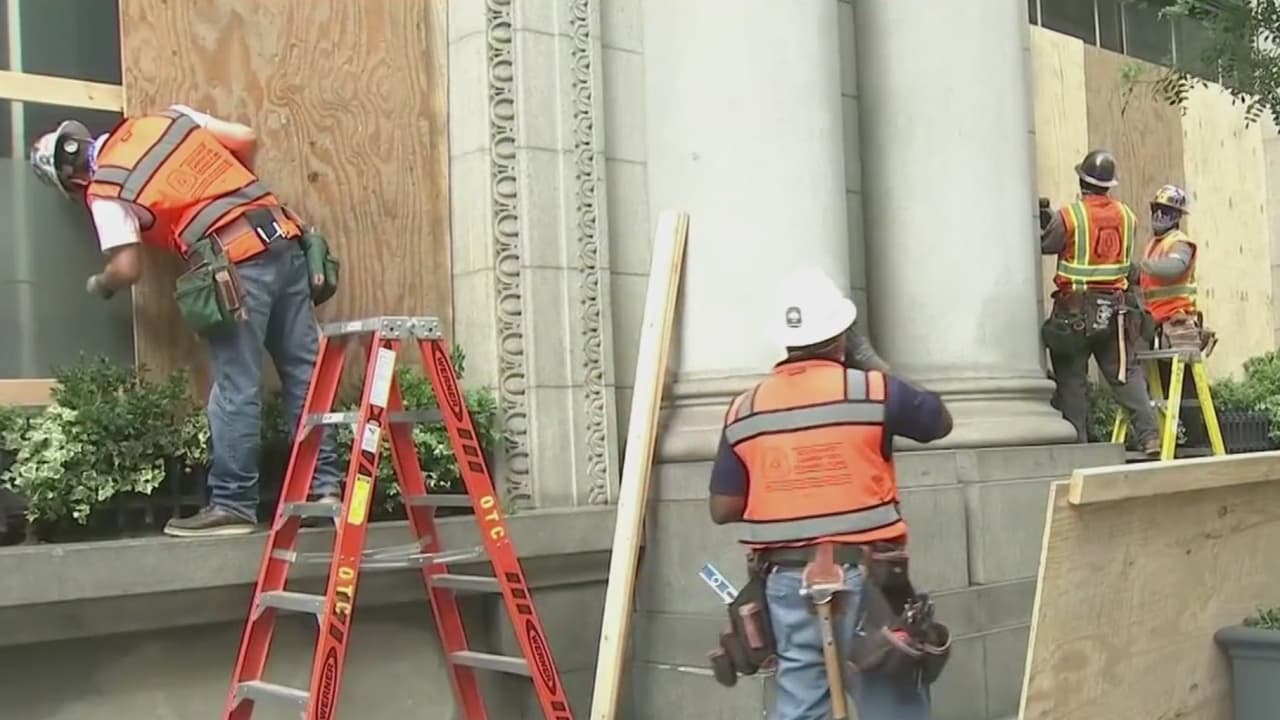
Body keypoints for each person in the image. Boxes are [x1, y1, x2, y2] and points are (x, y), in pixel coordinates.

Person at [29, 106, 345, 537]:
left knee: (235, 386)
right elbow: (245, 136)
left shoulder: (105, 190)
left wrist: (101, 284)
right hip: (283, 239)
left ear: (72, 181)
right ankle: (324, 491)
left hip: (237, 264)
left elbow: (127, 268)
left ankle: (233, 504)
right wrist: (230, 200)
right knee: (305, 376)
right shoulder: (164, 119)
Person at [707, 268, 953, 719]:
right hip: (869, 579)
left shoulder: (744, 409)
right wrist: (873, 362)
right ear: (842, 337)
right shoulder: (873, 390)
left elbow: (723, 507)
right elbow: (939, 421)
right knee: (890, 700)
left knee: (802, 706)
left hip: (786, 580)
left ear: (784, 340)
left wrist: (790, 485)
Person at [1040, 149, 1160, 456]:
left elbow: (1048, 244)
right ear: (1108, 184)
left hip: (1074, 312)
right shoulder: (1127, 216)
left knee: (1072, 379)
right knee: (1124, 374)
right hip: (1114, 312)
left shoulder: (1070, 216)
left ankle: (1078, 445)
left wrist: (1047, 222)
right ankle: (1149, 436)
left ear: (1082, 182)